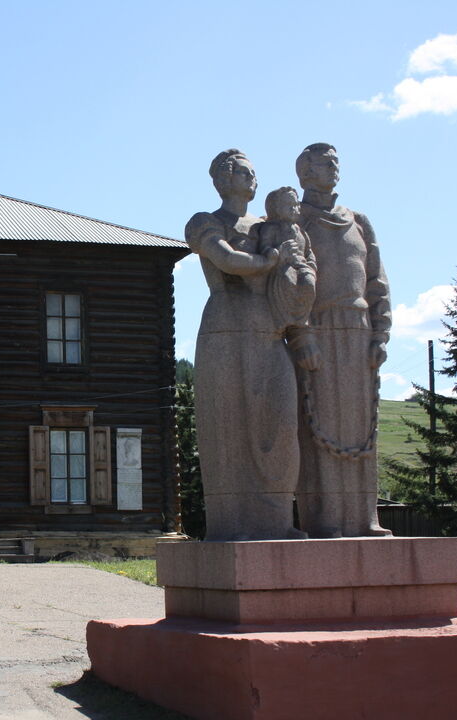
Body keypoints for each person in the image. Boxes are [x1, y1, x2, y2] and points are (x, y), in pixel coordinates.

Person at [186, 149, 307, 541]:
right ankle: (232, 524)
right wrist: (271, 260)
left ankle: (277, 523)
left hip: (269, 328)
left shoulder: (271, 224)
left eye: (254, 172)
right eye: (243, 172)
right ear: (222, 180)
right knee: (230, 425)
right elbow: (227, 260)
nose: (252, 178)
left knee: (280, 422)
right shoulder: (205, 222)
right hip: (226, 327)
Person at [294, 143, 392, 537]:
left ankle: (366, 518)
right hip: (317, 327)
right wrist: (301, 334)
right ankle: (326, 518)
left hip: (359, 327)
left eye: (335, 161)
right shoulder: (294, 219)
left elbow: (377, 281)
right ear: (304, 172)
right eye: (324, 162)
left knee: (360, 425)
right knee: (322, 426)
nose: (334, 167)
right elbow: (289, 283)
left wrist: (381, 331)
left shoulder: (359, 221)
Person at [259, 186, 316, 335]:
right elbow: (265, 247)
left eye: (296, 204)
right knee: (287, 280)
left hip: (302, 266)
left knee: (309, 283)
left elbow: (309, 252)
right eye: (288, 205)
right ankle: (283, 319)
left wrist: (311, 265)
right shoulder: (271, 228)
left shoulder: (301, 231)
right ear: (276, 208)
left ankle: (301, 317)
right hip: (283, 267)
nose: (294, 208)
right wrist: (277, 253)